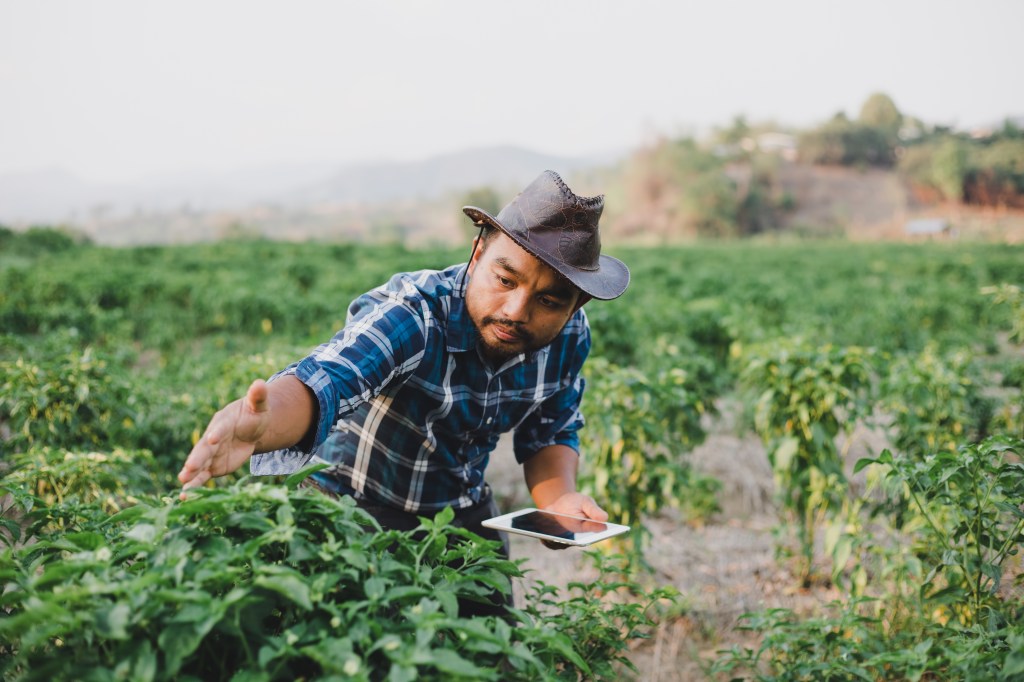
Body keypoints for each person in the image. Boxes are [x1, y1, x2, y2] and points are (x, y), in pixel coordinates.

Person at [177, 170, 629, 611]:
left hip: (457, 505)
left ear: (577, 304)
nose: (516, 310)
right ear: (477, 256)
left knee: (492, 643)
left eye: (549, 301)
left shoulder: (570, 337)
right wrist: (264, 423)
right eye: (505, 280)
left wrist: (559, 502)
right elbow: (330, 379)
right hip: (351, 500)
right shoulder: (416, 314)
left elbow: (550, 431)